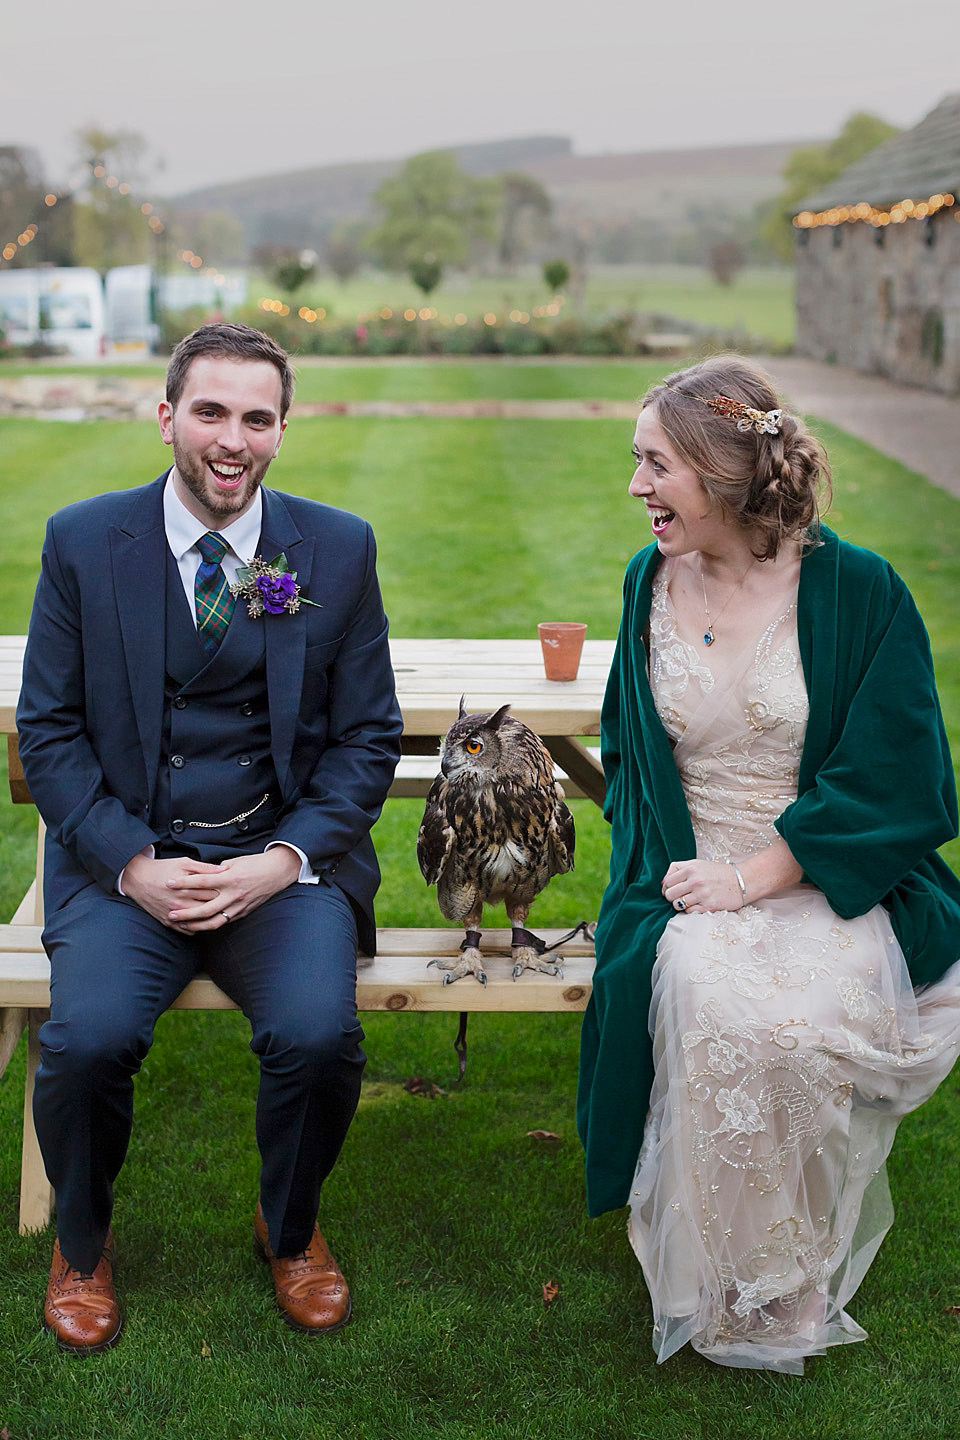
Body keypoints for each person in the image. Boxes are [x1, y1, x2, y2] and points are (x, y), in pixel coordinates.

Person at [16, 322, 403, 1352]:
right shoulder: (85, 543)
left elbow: (366, 736)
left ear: (283, 427)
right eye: (211, 411)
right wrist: (131, 863)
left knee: (322, 1038)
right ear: (167, 418)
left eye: (257, 417)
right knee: (87, 1041)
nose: (233, 439)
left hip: (279, 864)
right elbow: (47, 732)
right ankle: (84, 1246)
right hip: (124, 865)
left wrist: (283, 862)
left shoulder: (333, 548)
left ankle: (290, 1228)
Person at [577, 355, 960, 1372]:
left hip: (821, 871)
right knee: (709, 992)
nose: (636, 488)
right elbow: (632, 749)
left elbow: (904, 779)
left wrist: (758, 874)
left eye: (656, 465)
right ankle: (733, 1282)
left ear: (724, 472)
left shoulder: (859, 589)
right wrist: (673, 868)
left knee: (796, 1025)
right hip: (683, 875)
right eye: (636, 462)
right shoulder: (644, 580)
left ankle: (777, 1274)